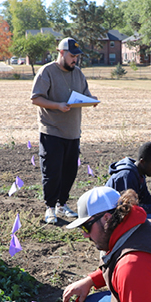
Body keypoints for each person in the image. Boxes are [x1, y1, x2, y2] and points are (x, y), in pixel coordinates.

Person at [30, 38, 95, 225]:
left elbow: (85, 95)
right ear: (61, 52)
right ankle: (50, 208)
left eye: (77, 56)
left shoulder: (79, 74)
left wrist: (92, 100)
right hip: (52, 130)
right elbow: (35, 98)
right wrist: (57, 105)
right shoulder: (47, 72)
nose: (75, 60)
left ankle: (62, 204)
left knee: (69, 172)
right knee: (52, 172)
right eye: (72, 56)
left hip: (73, 132)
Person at [107, 142, 151, 225]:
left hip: (124, 212)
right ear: (142, 162)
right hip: (111, 217)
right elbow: (129, 208)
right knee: (149, 219)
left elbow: (146, 198)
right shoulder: (127, 176)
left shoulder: (139, 173)